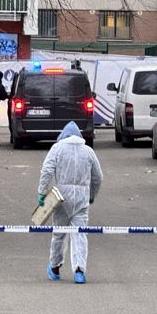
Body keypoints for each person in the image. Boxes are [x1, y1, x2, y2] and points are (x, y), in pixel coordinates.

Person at [37, 121, 103, 284]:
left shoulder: (57, 149)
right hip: (81, 198)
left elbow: (46, 170)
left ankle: (55, 267)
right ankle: (79, 271)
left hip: (61, 198)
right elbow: (98, 177)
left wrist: (42, 192)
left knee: (59, 233)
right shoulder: (88, 151)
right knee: (80, 234)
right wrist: (92, 194)